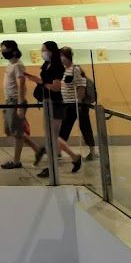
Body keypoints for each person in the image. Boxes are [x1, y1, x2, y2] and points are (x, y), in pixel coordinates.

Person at [28, 47, 84, 177]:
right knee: (55, 137)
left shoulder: (73, 69)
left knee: (55, 137)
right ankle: (73, 158)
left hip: (67, 106)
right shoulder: (58, 69)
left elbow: (79, 85)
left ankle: (55, 164)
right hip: (59, 104)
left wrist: (78, 102)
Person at [0, 40, 44, 170]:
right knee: (10, 130)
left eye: (4, 49)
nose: (2, 52)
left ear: (12, 50)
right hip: (9, 101)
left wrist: (20, 104)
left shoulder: (18, 65)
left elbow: (21, 84)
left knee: (17, 132)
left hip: (15, 101)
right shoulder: (10, 66)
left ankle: (16, 161)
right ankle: (37, 149)